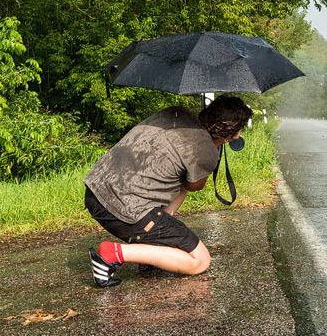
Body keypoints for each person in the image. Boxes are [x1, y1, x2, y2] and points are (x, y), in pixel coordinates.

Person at [84, 95, 253, 287]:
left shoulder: (174, 112)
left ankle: (148, 251)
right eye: (238, 130)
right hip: (123, 210)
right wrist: (212, 148)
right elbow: (194, 186)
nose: (238, 136)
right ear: (229, 132)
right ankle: (113, 254)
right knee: (200, 261)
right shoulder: (205, 151)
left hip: (95, 190)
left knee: (178, 178)